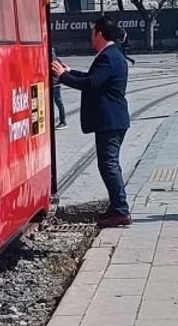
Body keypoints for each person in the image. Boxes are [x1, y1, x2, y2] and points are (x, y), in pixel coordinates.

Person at [52, 17, 132, 228]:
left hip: (110, 120)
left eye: (92, 33)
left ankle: (121, 210)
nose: (90, 37)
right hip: (112, 120)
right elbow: (94, 77)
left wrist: (63, 78)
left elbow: (91, 83)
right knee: (109, 164)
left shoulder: (108, 56)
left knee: (109, 164)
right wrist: (70, 72)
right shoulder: (113, 55)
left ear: (99, 34)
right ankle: (117, 207)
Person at [50, 47, 67, 129]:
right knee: (59, 103)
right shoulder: (57, 60)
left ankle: (63, 121)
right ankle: (62, 121)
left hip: (54, 84)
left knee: (58, 103)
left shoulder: (52, 61)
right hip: (56, 84)